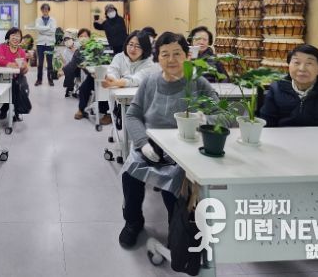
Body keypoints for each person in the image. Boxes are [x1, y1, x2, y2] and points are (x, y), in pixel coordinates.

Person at [259, 44, 318, 276]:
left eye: (309, 63)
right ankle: (272, 239)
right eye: (297, 62)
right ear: (288, 66)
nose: (302, 68)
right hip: (283, 154)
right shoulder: (277, 88)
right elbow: (266, 123)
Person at [120, 32, 218, 248]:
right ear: (157, 58)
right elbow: (132, 115)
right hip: (150, 146)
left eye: (177, 53)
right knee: (130, 175)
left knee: (175, 187)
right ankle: (133, 222)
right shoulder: (150, 82)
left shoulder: (197, 83)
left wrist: (205, 119)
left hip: (184, 152)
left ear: (187, 56)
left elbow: (222, 115)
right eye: (165, 54)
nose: (171, 59)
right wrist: (142, 143)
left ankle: (177, 230)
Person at [75, 30, 157, 124]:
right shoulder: (119, 57)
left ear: (145, 48)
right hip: (121, 97)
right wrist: (109, 78)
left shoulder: (149, 64)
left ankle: (111, 115)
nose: (132, 49)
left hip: (141, 101)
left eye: (138, 46)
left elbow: (138, 78)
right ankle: (102, 112)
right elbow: (113, 71)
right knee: (90, 83)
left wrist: (116, 82)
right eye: (130, 44)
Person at [0, 27, 29, 121]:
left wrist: (24, 68)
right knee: (12, 88)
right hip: (3, 77)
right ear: (8, 37)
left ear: (20, 39)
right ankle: (9, 110)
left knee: (20, 87)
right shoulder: (2, 47)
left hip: (17, 77)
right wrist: (9, 64)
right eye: (13, 35)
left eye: (18, 36)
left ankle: (14, 111)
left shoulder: (21, 51)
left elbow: (24, 69)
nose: (16, 38)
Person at [63, 28, 91, 97]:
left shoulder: (79, 46)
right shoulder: (66, 52)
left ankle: (74, 88)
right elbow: (68, 63)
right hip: (75, 68)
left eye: (85, 36)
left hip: (84, 67)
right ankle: (70, 88)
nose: (68, 42)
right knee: (69, 69)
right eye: (81, 36)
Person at [34, 3, 57, 86]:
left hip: (50, 44)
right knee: (40, 63)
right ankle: (39, 80)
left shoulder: (53, 20)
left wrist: (42, 31)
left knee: (50, 63)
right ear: (41, 10)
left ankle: (50, 80)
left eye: (46, 9)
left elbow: (53, 31)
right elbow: (38, 29)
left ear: (48, 10)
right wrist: (48, 28)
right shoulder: (38, 19)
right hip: (40, 44)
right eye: (43, 9)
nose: (45, 10)